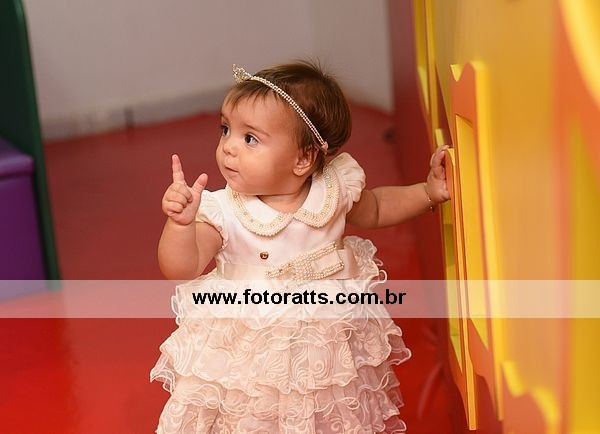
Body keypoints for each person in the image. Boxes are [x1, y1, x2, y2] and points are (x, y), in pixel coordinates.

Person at [150, 61, 449, 433]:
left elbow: (376, 208)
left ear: (303, 158)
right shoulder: (224, 210)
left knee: (328, 411)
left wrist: (427, 193)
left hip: (324, 344)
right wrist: (180, 225)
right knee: (252, 418)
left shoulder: (333, 190)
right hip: (253, 356)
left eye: (250, 138)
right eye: (226, 129)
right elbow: (182, 267)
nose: (228, 147)